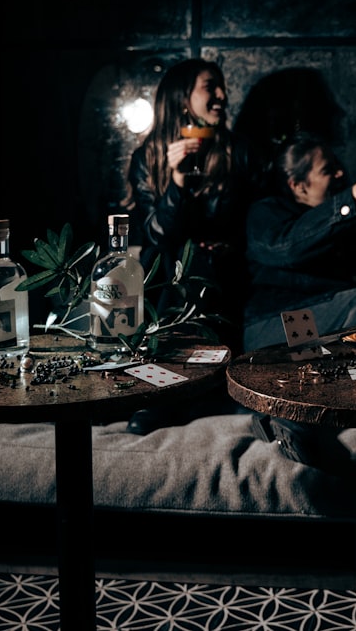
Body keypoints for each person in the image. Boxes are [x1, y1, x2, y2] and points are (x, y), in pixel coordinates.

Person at [118, 58, 255, 435]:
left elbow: (253, 222)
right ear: (183, 98)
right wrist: (176, 182)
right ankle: (175, 391)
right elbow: (158, 234)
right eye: (210, 86)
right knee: (172, 260)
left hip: (227, 271)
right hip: (170, 272)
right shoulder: (147, 157)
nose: (222, 96)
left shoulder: (238, 151)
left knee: (201, 266)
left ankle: (175, 394)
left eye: (221, 86)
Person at [243, 132, 356, 352]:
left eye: (337, 166)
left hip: (326, 320)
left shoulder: (348, 223)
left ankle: (347, 359)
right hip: (273, 327)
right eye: (328, 170)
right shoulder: (266, 212)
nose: (340, 173)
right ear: (298, 185)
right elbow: (288, 249)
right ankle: (349, 358)